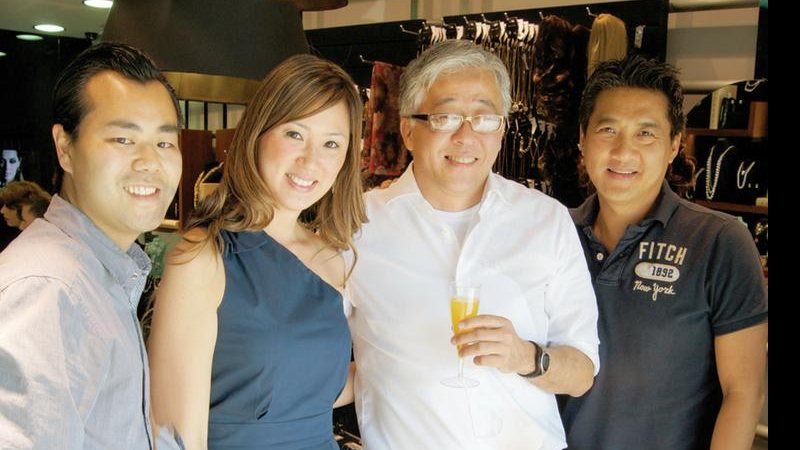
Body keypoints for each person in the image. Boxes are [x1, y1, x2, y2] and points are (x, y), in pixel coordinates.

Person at [346, 39, 599, 450]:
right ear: (409, 130)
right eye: (445, 117)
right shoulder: (358, 225)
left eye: (484, 119)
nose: (466, 137)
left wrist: (526, 357)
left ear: (500, 130)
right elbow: (312, 353)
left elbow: (583, 371)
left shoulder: (546, 219)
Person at [147, 54, 366, 450]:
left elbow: (314, 387)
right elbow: (175, 433)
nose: (310, 160)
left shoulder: (335, 257)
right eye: (295, 134)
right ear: (258, 132)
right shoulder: (203, 256)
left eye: (331, 143)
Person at [559, 55, 768, 450]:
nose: (623, 152)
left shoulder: (719, 241)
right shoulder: (552, 233)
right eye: (608, 130)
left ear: (674, 145)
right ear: (582, 139)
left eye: (645, 134)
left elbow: (743, 393)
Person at [0, 42, 183, 449]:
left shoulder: (101, 271)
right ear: (65, 148)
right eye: (122, 139)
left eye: (165, 142)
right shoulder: (47, 290)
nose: (149, 162)